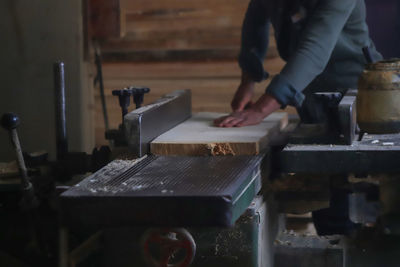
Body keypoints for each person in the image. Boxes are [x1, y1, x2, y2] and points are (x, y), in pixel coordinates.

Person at [214, 0, 382, 235]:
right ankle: (335, 239)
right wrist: (248, 80)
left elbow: (314, 51)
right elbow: (255, 20)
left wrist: (260, 110)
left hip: (360, 94)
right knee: (327, 198)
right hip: (311, 94)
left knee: (368, 193)